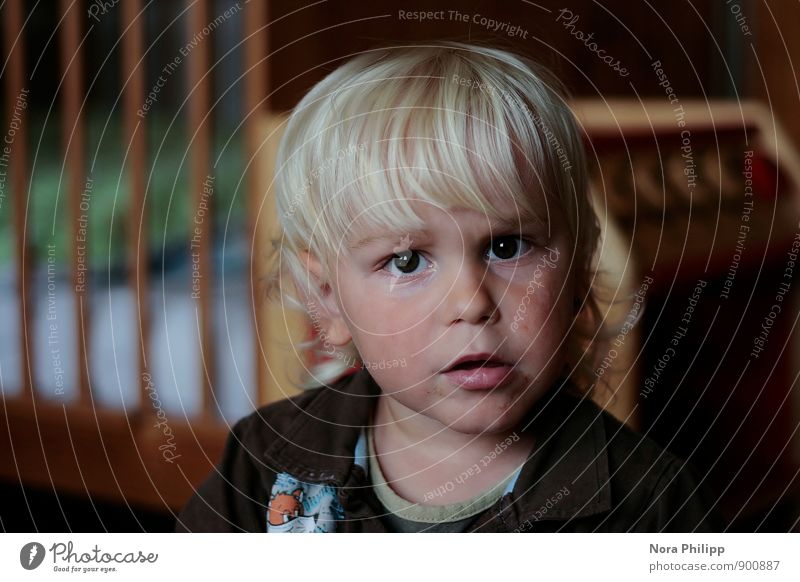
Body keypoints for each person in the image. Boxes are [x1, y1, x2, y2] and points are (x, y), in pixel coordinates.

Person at [175, 42, 718, 533]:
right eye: (406, 261)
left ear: (577, 270)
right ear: (326, 298)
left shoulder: (645, 502)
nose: (471, 303)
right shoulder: (269, 458)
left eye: (508, 247)